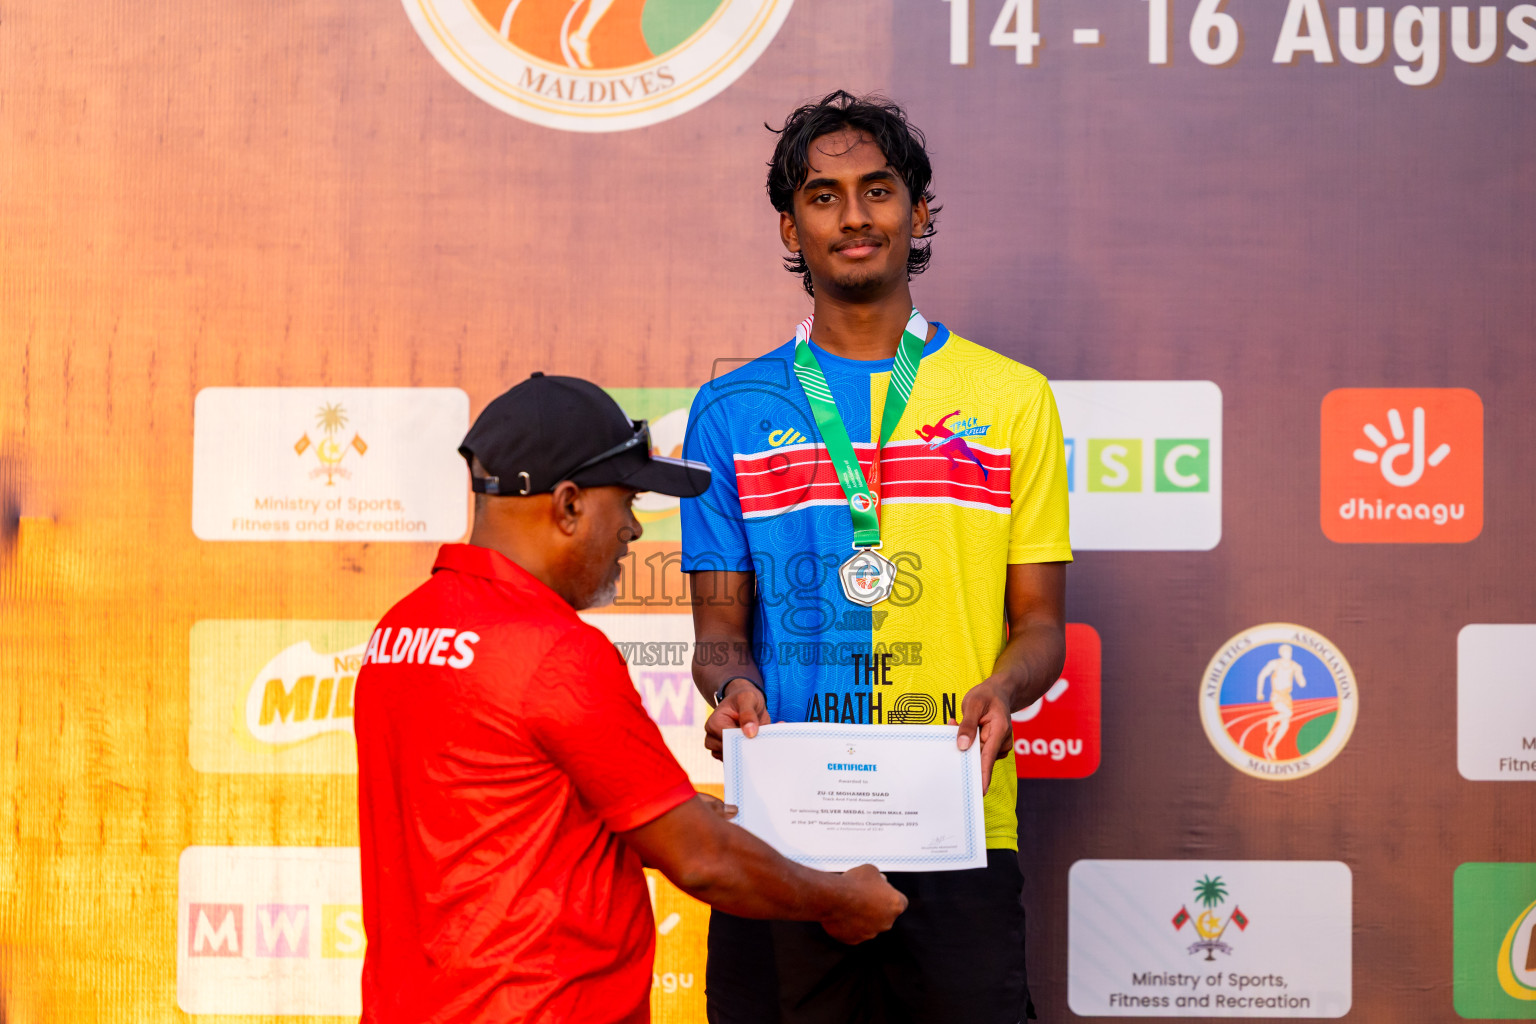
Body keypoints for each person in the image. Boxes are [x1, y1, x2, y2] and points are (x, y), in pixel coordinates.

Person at [680, 91, 1073, 1023]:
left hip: (958, 817)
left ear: (919, 211)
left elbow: (1043, 629)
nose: (854, 216)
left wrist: (1004, 691)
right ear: (791, 223)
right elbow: (719, 634)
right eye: (823, 195)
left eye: (879, 189)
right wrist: (732, 689)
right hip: (783, 828)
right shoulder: (731, 409)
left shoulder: (1013, 398)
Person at [354, 373, 908, 1024]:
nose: (635, 530)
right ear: (567, 505)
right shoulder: (555, 652)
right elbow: (701, 860)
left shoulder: (402, 628)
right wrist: (841, 898)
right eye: (628, 501)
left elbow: (508, 809)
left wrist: (691, 811)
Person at [1256, 643, 1307, 760]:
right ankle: (1271, 719)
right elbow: (1262, 676)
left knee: (1285, 724)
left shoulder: (1295, 666)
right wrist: (1259, 692)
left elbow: (1301, 683)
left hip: (1287, 697)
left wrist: (1301, 675)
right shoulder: (1274, 663)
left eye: (1289, 652)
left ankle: (1272, 747)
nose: (1287, 654)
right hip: (1277, 695)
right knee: (1288, 714)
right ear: (1280, 653)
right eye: (1284, 652)